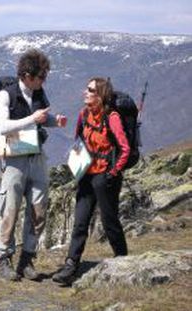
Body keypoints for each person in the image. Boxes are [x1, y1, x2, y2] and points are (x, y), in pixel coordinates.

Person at [0, 49, 67, 281]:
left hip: (36, 155)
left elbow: (44, 118)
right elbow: (3, 126)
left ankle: (27, 261)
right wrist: (32, 119)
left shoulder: (38, 93)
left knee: (39, 209)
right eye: (41, 76)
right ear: (27, 75)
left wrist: (57, 121)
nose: (43, 80)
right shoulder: (6, 95)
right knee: (10, 209)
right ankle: (3, 260)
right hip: (14, 157)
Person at [52, 77, 130, 284]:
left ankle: (124, 260)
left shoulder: (111, 117)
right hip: (86, 175)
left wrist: (113, 173)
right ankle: (71, 266)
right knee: (80, 222)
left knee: (109, 221)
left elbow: (125, 148)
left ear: (100, 95)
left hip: (105, 177)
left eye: (90, 90)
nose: (85, 92)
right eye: (86, 89)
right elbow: (79, 139)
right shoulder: (83, 114)